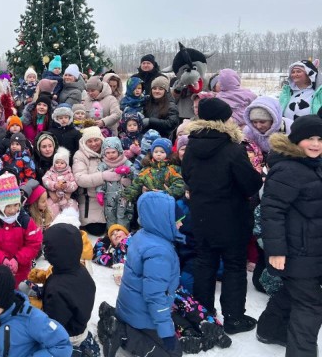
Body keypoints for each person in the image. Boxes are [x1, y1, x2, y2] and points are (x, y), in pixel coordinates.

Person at [182, 98, 263, 334]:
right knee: (234, 266)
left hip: (201, 216)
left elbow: (187, 177)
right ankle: (234, 318)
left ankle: (203, 313)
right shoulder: (232, 149)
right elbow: (250, 184)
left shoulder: (192, 146)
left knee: (205, 262)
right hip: (232, 218)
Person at [260, 115, 322, 356]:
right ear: (296, 140)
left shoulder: (313, 164)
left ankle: (270, 329)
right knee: (311, 304)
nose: (316, 144)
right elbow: (272, 212)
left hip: (311, 248)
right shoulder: (288, 169)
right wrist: (276, 251)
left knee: (291, 292)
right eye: (309, 138)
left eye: (320, 139)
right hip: (296, 251)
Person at [104, 191, 185, 357]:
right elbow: (155, 296)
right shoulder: (159, 252)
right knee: (174, 353)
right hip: (141, 314)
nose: (181, 225)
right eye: (177, 221)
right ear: (163, 221)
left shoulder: (142, 235)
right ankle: (125, 335)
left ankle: (117, 321)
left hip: (129, 307)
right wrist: (166, 332)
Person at [42, 223, 100, 356]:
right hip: (80, 325)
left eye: (48, 248)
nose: (45, 251)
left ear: (58, 252)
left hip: (68, 336)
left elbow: (54, 325)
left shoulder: (57, 288)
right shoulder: (80, 269)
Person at [0, 173, 42, 287]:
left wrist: (17, 259)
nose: (13, 210)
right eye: (8, 206)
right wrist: (2, 259)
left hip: (20, 272)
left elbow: (34, 244)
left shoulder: (25, 220)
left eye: (16, 205)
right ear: (0, 205)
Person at [72, 126, 108, 235]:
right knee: (97, 230)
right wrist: (103, 176)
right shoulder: (80, 155)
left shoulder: (109, 150)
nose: (94, 144)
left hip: (111, 196)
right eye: (89, 141)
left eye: (96, 140)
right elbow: (80, 179)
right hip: (91, 198)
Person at [95, 138, 134, 229]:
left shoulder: (126, 162)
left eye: (113, 152)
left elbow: (135, 175)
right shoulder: (103, 165)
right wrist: (100, 192)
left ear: (119, 151)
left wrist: (128, 173)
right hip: (109, 195)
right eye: (107, 153)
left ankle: (123, 232)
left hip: (124, 195)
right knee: (110, 214)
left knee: (122, 214)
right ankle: (112, 233)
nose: (111, 155)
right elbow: (99, 179)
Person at [42, 147, 78, 217]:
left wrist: (66, 185)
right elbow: (45, 180)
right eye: (57, 162)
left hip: (66, 199)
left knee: (72, 209)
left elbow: (75, 184)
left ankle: (70, 224)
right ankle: (51, 224)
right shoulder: (50, 172)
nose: (59, 164)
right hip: (53, 198)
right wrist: (54, 185)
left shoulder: (70, 174)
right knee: (50, 211)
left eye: (62, 163)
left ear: (66, 164)